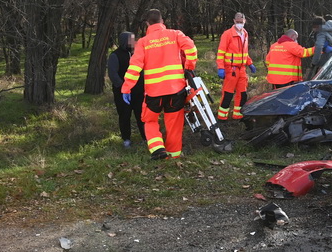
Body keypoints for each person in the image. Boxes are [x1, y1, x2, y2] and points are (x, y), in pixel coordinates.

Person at [121, 9, 198, 160]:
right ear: (162, 21)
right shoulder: (175, 34)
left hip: (154, 93)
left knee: (149, 120)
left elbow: (135, 67)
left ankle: (157, 149)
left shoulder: (143, 42)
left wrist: (126, 88)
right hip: (176, 90)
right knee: (174, 125)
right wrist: (189, 66)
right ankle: (173, 156)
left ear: (147, 24)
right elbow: (191, 48)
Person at [107, 31, 146, 148]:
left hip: (139, 92)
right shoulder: (115, 55)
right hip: (122, 93)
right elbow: (113, 74)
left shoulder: (137, 54)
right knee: (124, 116)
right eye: (131, 40)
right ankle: (126, 139)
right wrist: (123, 87)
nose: (133, 42)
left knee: (142, 115)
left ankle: (146, 137)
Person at [216, 12, 255, 121]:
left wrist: (250, 63)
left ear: (244, 21)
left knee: (242, 93)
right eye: (237, 22)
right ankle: (222, 117)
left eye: (241, 22)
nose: (239, 24)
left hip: (242, 69)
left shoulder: (245, 34)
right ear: (234, 21)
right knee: (228, 94)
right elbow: (221, 52)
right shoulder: (227, 34)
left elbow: (244, 53)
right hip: (231, 69)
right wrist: (221, 67)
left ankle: (238, 114)